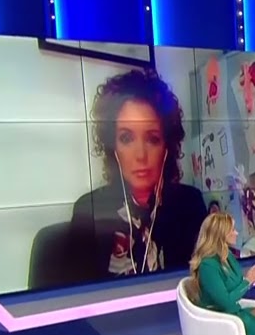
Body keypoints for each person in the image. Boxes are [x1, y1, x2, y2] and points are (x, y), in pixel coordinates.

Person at [68, 69, 208, 281]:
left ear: (166, 146)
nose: (140, 155)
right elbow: (79, 296)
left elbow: (205, 285)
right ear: (113, 147)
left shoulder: (190, 205)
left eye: (152, 139)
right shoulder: (89, 211)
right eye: (126, 138)